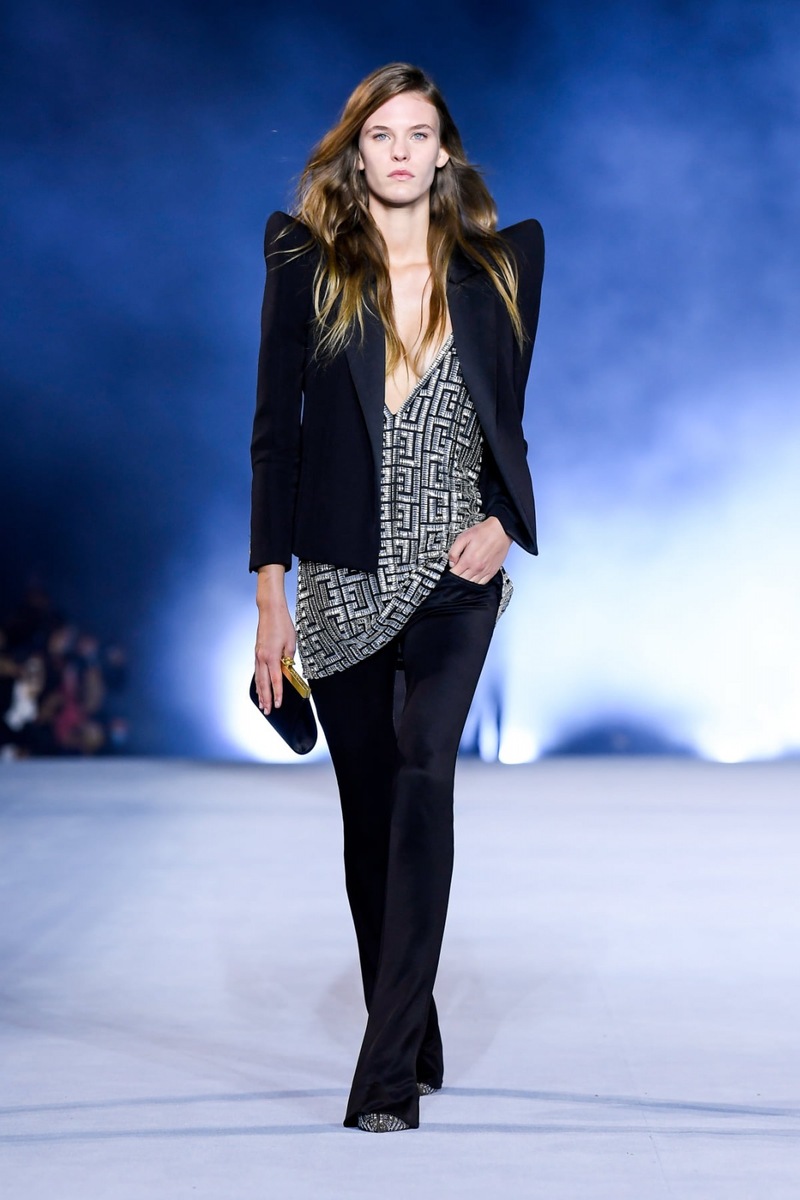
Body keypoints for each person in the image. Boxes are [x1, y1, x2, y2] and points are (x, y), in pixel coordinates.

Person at [250, 63, 544, 1133]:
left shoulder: (503, 266)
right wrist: (270, 597)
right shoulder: (307, 263)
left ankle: (382, 1077)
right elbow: (274, 436)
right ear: (357, 153)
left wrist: (503, 521)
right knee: (370, 816)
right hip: (338, 575)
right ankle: (411, 1026)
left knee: (424, 773)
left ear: (444, 150)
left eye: (419, 133)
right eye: (382, 135)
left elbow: (508, 419)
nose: (402, 152)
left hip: (458, 574)